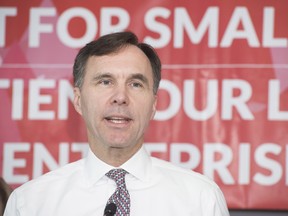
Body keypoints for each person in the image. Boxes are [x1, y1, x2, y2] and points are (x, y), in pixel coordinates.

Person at [4, 31, 229, 216]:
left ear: (153, 105)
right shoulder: (31, 203)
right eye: (105, 81)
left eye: (135, 84)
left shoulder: (201, 200)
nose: (120, 96)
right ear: (78, 100)